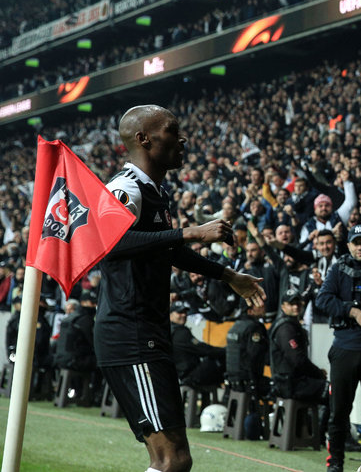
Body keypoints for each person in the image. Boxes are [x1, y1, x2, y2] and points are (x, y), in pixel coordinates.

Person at [95, 104, 265, 472]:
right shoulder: (125, 187)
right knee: (170, 459)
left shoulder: (154, 191)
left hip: (147, 333)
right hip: (129, 333)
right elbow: (109, 242)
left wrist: (228, 275)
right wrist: (191, 232)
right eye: (172, 130)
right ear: (144, 138)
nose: (182, 139)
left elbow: (169, 250)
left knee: (176, 459)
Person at [316, 223, 361, 472]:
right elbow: (323, 299)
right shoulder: (338, 268)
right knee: (338, 412)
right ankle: (335, 463)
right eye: (356, 243)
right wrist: (353, 312)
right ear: (348, 245)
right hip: (344, 349)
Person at [269, 289, 329, 401]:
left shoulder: (292, 324)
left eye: (298, 303)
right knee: (332, 391)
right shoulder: (286, 328)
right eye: (291, 304)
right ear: (283, 307)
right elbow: (297, 360)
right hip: (289, 384)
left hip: (294, 381)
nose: (296, 307)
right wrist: (318, 373)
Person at [170, 301, 226, 388]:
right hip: (189, 376)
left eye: (185, 312)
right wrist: (226, 351)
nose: (184, 315)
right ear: (170, 315)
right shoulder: (180, 333)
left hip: (179, 375)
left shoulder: (170, 331)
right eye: (179, 313)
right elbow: (204, 350)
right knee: (218, 359)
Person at [225, 301, 269, 397]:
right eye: (258, 305)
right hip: (249, 381)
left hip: (233, 379)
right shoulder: (255, 327)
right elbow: (255, 354)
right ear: (250, 311)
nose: (263, 306)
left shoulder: (235, 326)